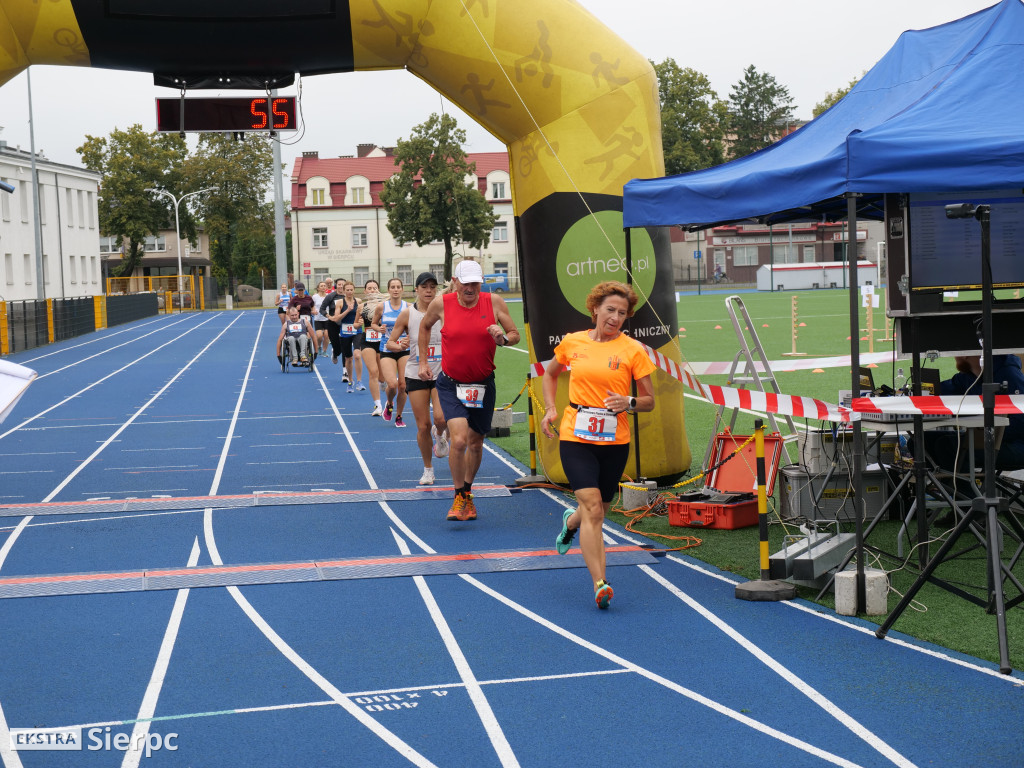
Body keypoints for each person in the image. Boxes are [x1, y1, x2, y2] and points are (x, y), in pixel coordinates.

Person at [540, 281, 656, 609]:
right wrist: (551, 408)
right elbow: (550, 375)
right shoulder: (572, 342)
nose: (615, 317)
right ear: (595, 309)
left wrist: (630, 401)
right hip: (576, 435)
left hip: (614, 441)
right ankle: (600, 583)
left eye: (622, 313)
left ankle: (570, 523)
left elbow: (648, 401)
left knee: (598, 510)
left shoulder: (633, 350)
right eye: (610, 310)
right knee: (593, 508)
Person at [418, 259, 520, 521]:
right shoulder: (442, 303)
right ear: (455, 281)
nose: (471, 288)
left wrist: (503, 338)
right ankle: (458, 497)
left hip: (483, 385)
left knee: (476, 443)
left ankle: (468, 493)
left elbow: (514, 333)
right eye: (466, 283)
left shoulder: (494, 302)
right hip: (451, 384)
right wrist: (422, 361)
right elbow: (425, 326)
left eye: (475, 282)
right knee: (460, 440)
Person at [388, 272, 449, 484]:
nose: (429, 291)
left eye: (433, 287)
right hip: (415, 372)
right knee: (423, 425)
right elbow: (390, 343)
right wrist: (399, 345)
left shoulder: (445, 311)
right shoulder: (407, 314)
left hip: (441, 371)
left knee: (441, 418)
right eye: (424, 287)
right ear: (417, 290)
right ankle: (428, 469)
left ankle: (440, 434)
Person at [926, 354, 1024, 472]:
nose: (954, 356)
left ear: (966, 355)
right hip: (988, 439)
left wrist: (979, 433)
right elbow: (940, 391)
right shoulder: (969, 376)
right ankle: (948, 486)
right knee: (922, 441)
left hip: (1016, 445)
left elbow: (1020, 424)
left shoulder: (1010, 375)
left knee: (946, 445)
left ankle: (963, 490)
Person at [373, 278, 411, 427]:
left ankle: (399, 416)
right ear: (388, 290)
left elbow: (415, 326)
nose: (395, 289)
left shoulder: (408, 307)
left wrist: (409, 334)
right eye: (392, 287)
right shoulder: (382, 307)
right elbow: (373, 323)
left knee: (403, 385)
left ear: (402, 289)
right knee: (392, 384)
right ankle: (389, 403)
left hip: (404, 349)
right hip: (387, 348)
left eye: (398, 287)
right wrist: (379, 329)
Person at [325, 281, 362, 392]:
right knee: (348, 358)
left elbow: (363, 315)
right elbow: (336, 319)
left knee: (357, 355)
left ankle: (359, 382)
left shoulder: (359, 301)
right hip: (345, 333)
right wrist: (347, 310)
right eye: (347, 290)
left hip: (357, 331)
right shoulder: (340, 303)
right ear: (344, 291)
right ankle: (350, 381)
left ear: (354, 290)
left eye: (351, 290)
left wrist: (361, 321)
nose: (350, 292)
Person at [360, 280, 386, 416]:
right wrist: (357, 324)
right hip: (367, 341)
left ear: (378, 290)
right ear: (365, 291)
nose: (372, 290)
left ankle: (383, 383)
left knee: (382, 376)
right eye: (369, 288)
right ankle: (378, 405)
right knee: (373, 372)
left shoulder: (384, 306)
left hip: (382, 341)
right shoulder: (361, 307)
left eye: (374, 288)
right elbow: (355, 325)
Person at [311, 281, 330, 356]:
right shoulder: (315, 297)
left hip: (327, 319)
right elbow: (311, 306)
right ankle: (319, 347)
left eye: (324, 286)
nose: (323, 287)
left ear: (326, 287)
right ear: (318, 288)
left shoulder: (328, 296)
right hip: (318, 319)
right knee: (319, 336)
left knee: (326, 335)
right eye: (321, 286)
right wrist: (313, 311)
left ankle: (324, 351)